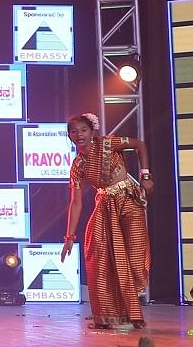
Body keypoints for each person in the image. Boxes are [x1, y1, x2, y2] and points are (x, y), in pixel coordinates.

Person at [59, 112, 152, 332]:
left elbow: (140, 145)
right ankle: (113, 315)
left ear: (92, 131)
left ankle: (132, 306)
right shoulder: (78, 165)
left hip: (128, 202)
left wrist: (146, 176)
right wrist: (69, 237)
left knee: (135, 256)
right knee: (100, 257)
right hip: (104, 208)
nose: (79, 134)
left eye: (83, 130)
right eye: (74, 131)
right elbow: (76, 203)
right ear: (69, 136)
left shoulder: (110, 143)